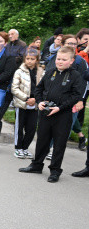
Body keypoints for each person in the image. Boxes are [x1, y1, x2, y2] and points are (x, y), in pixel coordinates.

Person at [19, 47, 85, 182]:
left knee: (59, 144)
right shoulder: (50, 72)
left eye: (64, 60)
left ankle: (55, 170)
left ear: (71, 61)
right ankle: (36, 165)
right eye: (58, 59)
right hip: (46, 113)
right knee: (42, 140)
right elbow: (39, 89)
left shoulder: (75, 76)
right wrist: (39, 102)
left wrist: (60, 108)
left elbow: (76, 95)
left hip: (62, 115)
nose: (60, 62)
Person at [11, 48, 44, 158]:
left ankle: (25, 148)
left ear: (37, 60)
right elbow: (14, 88)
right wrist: (26, 98)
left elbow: (44, 88)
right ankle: (18, 148)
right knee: (19, 128)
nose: (30, 61)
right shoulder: (19, 71)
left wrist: (36, 99)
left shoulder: (41, 72)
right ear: (24, 59)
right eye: (28, 58)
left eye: (32, 59)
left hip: (35, 104)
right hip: (22, 104)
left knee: (31, 128)